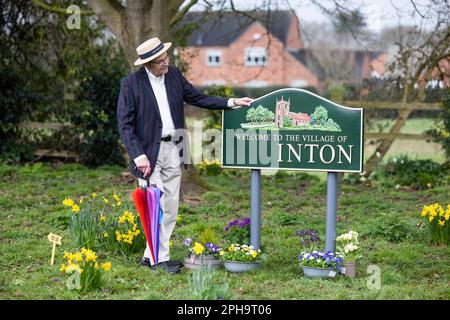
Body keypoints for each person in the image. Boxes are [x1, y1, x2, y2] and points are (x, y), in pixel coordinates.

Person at [117, 37, 253, 274]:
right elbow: (125, 125)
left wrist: (232, 102)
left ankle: (153, 257)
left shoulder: (174, 76)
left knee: (170, 206)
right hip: (147, 154)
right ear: (147, 63)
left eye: (166, 58)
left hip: (174, 149)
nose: (165, 63)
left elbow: (199, 98)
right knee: (154, 207)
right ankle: (158, 260)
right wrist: (138, 156)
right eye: (159, 61)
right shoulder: (130, 84)